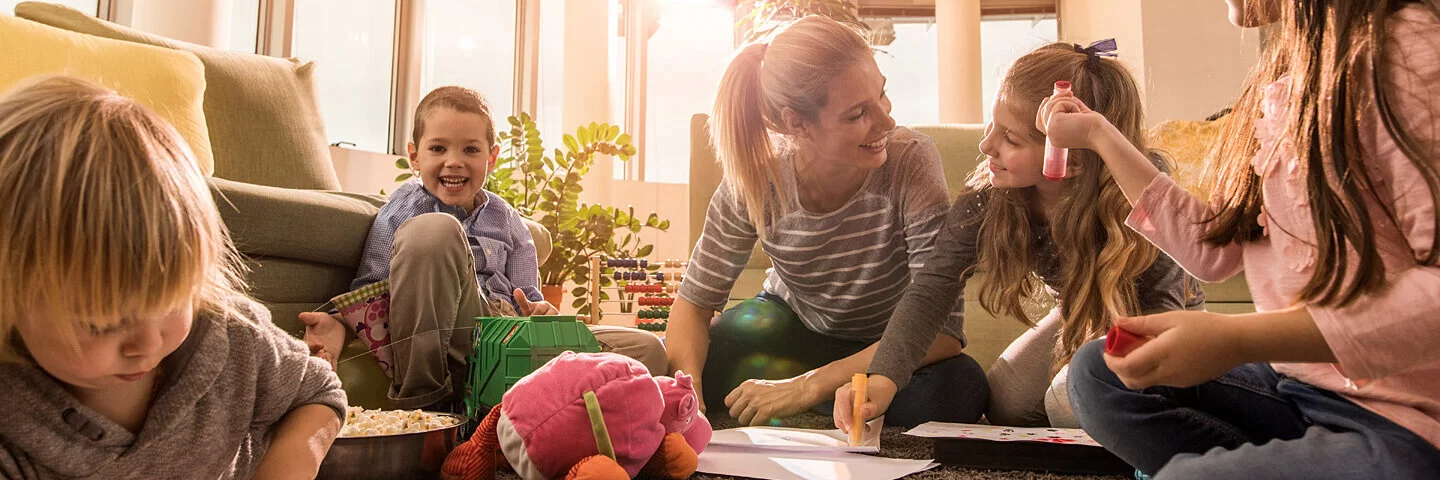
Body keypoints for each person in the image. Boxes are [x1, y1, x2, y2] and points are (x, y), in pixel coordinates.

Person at [1054, 0, 1440, 477]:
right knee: (1098, 371)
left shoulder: (1408, 55)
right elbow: (1213, 251)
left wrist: (1237, 338)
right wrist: (1098, 134)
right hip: (1298, 389)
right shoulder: (1289, 72)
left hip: (1405, 421)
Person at [833, 41, 1203, 433]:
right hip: (1078, 310)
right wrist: (883, 378)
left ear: (1072, 158)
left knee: (1066, 403)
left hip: (1149, 320)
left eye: (1010, 139)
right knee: (1007, 404)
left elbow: (1161, 311)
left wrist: (1112, 380)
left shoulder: (1139, 185)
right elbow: (933, 287)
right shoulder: (991, 193)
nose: (986, 146)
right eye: (992, 126)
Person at [0, 76, 345, 478]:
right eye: (102, 322)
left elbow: (318, 391)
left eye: (172, 301)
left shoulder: (229, 333)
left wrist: (289, 463)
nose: (147, 343)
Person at [667, 15, 987, 427]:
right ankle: (825, 405)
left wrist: (807, 386)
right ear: (796, 123)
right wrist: (688, 397)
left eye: (882, 96)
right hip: (794, 326)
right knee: (716, 353)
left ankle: (809, 402)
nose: (887, 122)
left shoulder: (912, 160)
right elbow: (694, 303)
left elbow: (941, 331)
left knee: (960, 389)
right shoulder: (756, 177)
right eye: (858, 114)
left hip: (891, 344)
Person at [303, 86, 665, 411]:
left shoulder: (506, 218)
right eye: (438, 148)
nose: (454, 160)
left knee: (648, 349)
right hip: (461, 335)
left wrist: (541, 313)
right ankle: (426, 411)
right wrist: (337, 324)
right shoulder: (404, 208)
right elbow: (371, 293)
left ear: (491, 158)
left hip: (512, 336)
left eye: (470, 149)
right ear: (415, 156)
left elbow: (531, 297)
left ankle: (554, 411)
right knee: (434, 231)